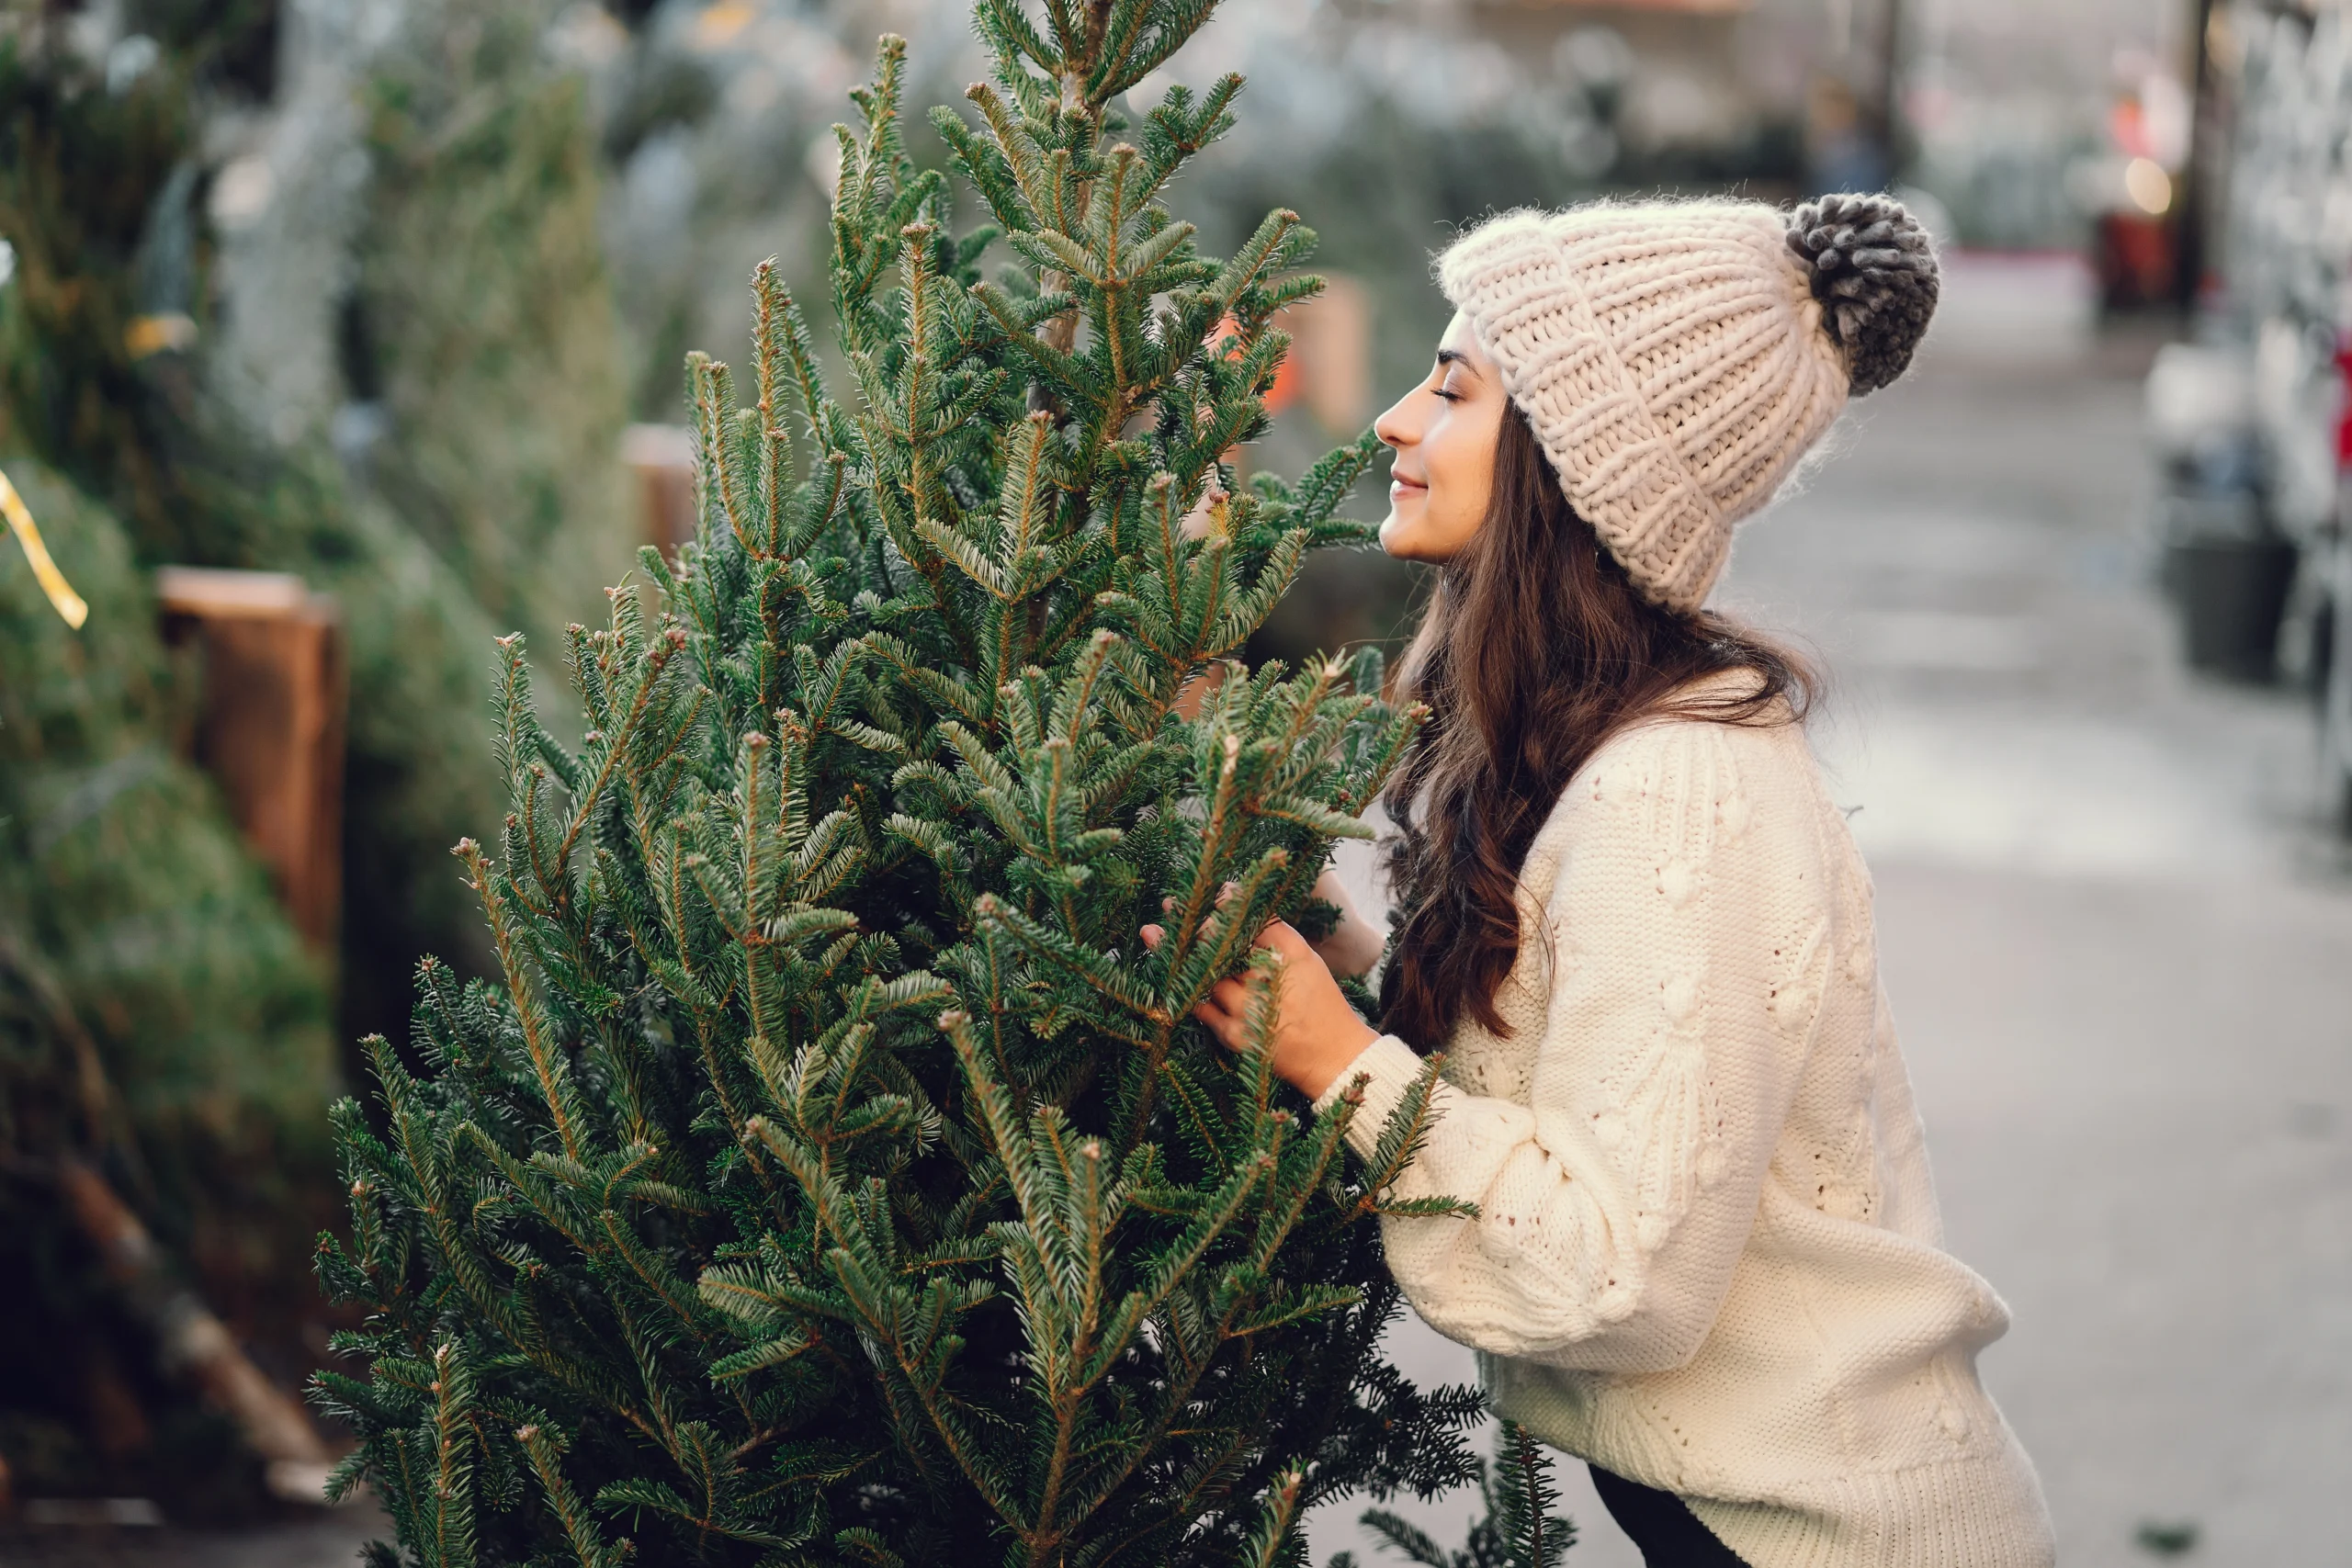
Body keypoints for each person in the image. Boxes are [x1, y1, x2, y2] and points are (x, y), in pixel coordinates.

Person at [1141, 195, 2056, 1567]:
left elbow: (1616, 1267)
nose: (1394, 420)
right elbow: (1562, 1069)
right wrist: (1341, 964)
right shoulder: (1603, 744)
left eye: (1453, 390)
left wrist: (1338, 1062)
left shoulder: (1677, 793)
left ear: (1572, 465)